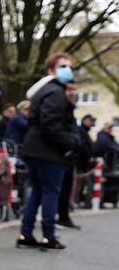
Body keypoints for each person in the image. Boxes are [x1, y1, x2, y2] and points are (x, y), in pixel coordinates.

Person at [17, 51, 77, 250]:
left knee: (36, 191)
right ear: (51, 70)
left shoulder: (43, 91)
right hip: (48, 150)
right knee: (51, 191)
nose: (67, 70)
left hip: (34, 147)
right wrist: (67, 142)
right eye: (62, 66)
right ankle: (48, 236)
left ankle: (26, 234)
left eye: (69, 66)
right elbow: (50, 122)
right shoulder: (55, 92)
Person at [56, 81, 80, 229]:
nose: (72, 92)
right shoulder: (58, 107)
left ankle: (63, 216)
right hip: (58, 155)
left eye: (74, 89)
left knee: (66, 188)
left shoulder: (69, 109)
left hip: (68, 156)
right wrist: (70, 143)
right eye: (69, 89)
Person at [73, 114, 97, 208]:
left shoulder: (85, 131)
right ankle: (75, 201)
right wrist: (89, 156)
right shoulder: (80, 131)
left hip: (84, 162)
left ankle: (79, 200)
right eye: (90, 120)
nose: (92, 123)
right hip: (80, 161)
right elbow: (82, 145)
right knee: (78, 182)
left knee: (82, 182)